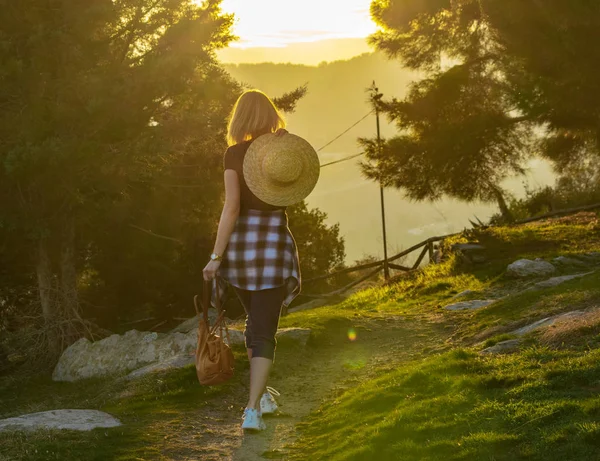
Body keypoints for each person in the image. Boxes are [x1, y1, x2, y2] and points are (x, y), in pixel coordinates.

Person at [202, 89, 320, 432]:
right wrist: (281, 140)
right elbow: (291, 181)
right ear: (270, 116)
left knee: (257, 326)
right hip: (274, 247)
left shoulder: (234, 154)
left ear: (239, 118)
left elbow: (232, 207)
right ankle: (256, 405)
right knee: (263, 329)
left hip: (240, 249)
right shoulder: (280, 152)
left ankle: (256, 402)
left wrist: (215, 257)